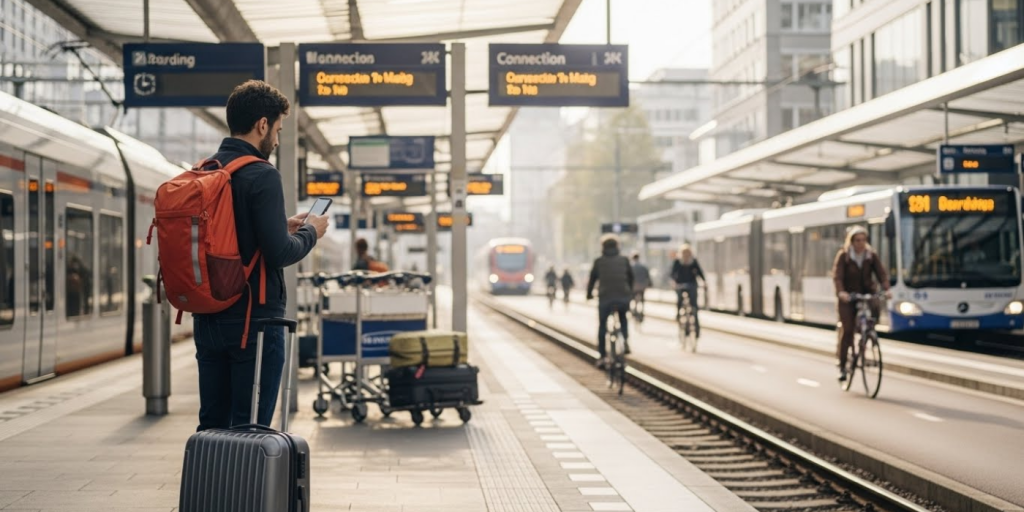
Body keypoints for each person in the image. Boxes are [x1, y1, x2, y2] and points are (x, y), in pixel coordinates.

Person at [193, 80, 329, 431]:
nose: (277, 139)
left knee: (211, 423)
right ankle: (244, 488)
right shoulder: (261, 175)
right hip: (254, 325)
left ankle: (208, 486)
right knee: (250, 427)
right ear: (262, 125)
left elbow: (233, 234)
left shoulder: (206, 171)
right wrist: (311, 232)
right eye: (279, 129)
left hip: (208, 319)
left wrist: (281, 225)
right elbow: (280, 254)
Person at [832, 226, 890, 382]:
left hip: (866, 295)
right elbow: (837, 277)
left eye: (863, 240)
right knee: (848, 330)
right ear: (851, 241)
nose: (861, 243)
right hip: (849, 298)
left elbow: (881, 274)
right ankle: (843, 366)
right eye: (857, 240)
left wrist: (886, 289)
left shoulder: (871, 256)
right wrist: (841, 292)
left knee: (870, 321)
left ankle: (866, 339)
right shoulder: (844, 256)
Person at [586, 235, 634, 366]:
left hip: (605, 297)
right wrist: (630, 293)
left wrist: (589, 295)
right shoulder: (624, 260)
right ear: (617, 246)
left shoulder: (599, 261)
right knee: (623, 318)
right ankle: (624, 340)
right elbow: (631, 278)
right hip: (623, 296)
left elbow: (592, 280)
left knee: (603, 325)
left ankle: (602, 356)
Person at [670, 244, 705, 337]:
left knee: (694, 307)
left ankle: (696, 328)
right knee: (680, 300)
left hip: (692, 285)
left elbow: (699, 272)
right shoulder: (677, 261)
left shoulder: (693, 261)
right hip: (680, 285)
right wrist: (674, 282)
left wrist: (704, 282)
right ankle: (678, 314)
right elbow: (673, 273)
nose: (686, 254)